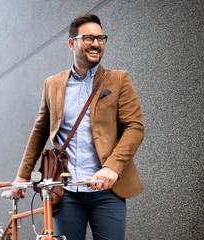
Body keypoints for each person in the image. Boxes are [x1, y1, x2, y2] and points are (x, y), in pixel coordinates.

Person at [13, 14, 144, 239]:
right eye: (88, 38)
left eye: (100, 38)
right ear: (72, 43)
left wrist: (112, 167)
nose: (96, 43)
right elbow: (40, 131)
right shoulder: (52, 84)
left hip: (107, 190)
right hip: (65, 192)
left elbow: (135, 127)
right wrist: (23, 176)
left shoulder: (119, 79)